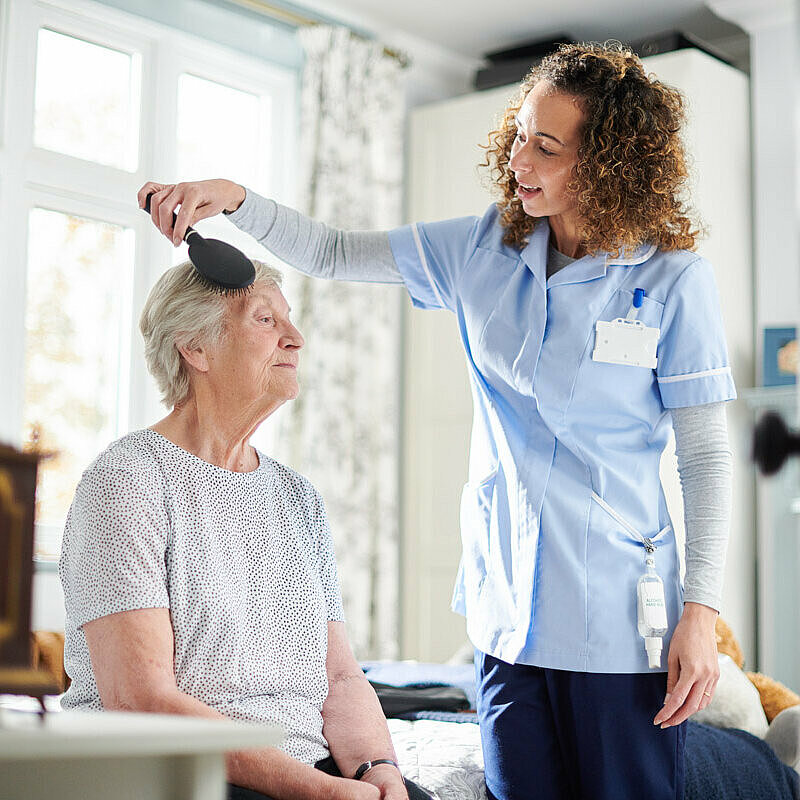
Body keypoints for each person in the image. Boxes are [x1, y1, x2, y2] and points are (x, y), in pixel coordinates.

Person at [139, 41, 734, 800]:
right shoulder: (483, 247)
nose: (520, 158)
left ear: (609, 163)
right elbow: (330, 251)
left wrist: (701, 614)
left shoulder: (673, 280)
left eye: (546, 147)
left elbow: (707, 457)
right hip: (506, 620)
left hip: (618, 622)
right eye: (519, 134)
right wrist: (236, 200)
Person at [59, 259, 432, 800]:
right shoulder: (127, 482)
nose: (296, 339)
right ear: (196, 348)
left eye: (289, 319)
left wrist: (380, 772)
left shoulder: (297, 497)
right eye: (265, 320)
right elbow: (140, 699)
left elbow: (343, 677)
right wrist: (319, 791)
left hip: (304, 770)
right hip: (178, 772)